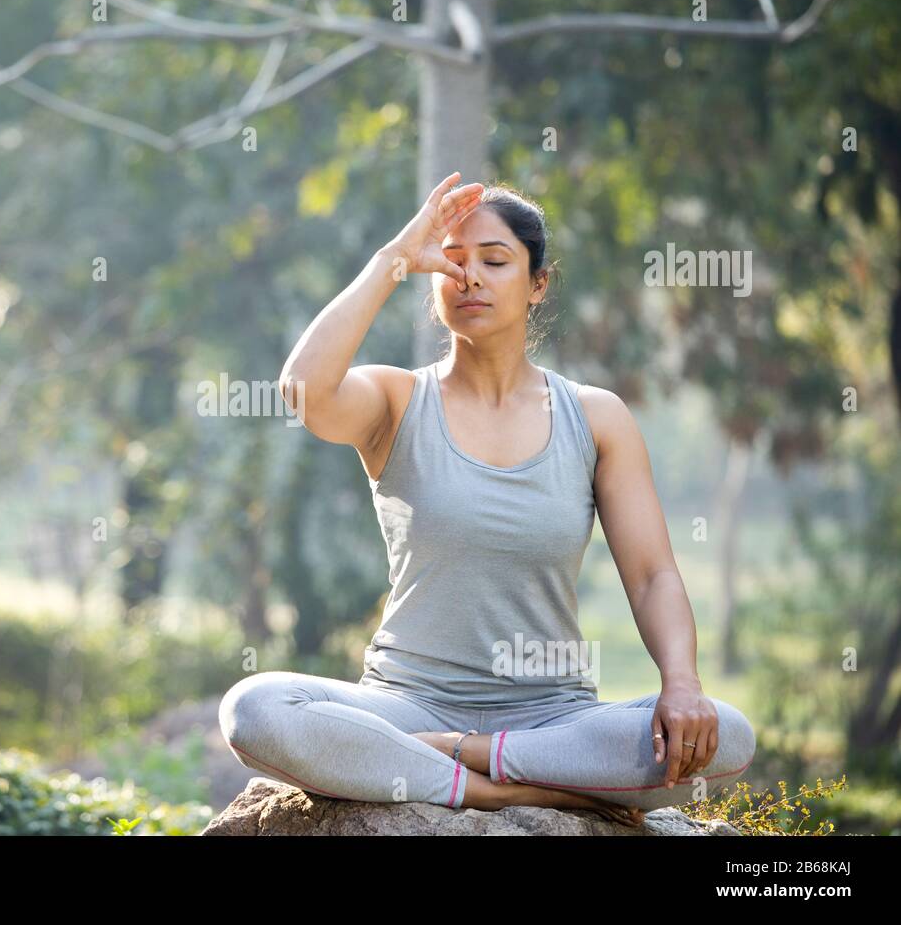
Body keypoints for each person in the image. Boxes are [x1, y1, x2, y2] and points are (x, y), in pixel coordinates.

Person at [218, 172, 756, 826]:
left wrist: (682, 684)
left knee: (725, 735)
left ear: (538, 284)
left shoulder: (596, 417)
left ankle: (465, 758)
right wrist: (394, 259)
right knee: (254, 709)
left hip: (552, 713)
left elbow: (651, 577)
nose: (469, 277)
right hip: (407, 706)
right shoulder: (396, 401)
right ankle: (498, 788)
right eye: (451, 261)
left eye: (495, 261)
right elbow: (303, 391)